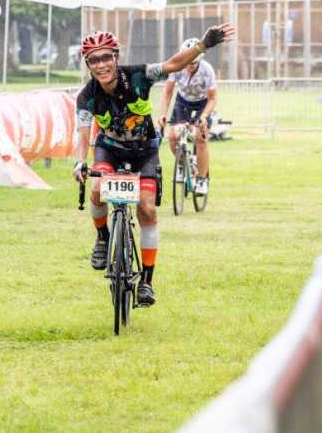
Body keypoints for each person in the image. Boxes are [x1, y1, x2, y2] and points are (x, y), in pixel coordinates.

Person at [72, 23, 235, 307]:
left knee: (147, 209)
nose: (101, 65)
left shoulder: (138, 75)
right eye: (94, 60)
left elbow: (173, 65)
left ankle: (146, 281)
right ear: (88, 65)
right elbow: (84, 132)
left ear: (117, 57)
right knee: (96, 190)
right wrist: (79, 162)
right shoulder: (87, 96)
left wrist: (203, 45)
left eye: (106, 57)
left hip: (143, 149)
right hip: (109, 149)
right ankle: (103, 238)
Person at [155, 38, 218, 196]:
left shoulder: (207, 70)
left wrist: (204, 116)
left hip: (203, 103)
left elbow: (213, 98)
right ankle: (182, 164)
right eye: (187, 63)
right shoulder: (177, 66)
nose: (188, 67)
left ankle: (202, 180)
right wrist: (163, 114)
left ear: (199, 60)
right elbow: (168, 92)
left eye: (192, 64)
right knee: (172, 136)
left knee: (200, 138)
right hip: (183, 101)